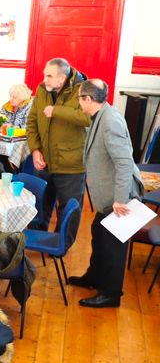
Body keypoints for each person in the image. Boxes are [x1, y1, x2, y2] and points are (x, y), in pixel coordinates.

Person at [70, 79, 144, 308]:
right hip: (108, 194)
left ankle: (111, 294)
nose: (78, 102)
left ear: (88, 99)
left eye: (80, 98)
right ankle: (94, 277)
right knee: (99, 235)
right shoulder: (101, 115)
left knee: (113, 245)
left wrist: (120, 200)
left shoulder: (110, 121)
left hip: (119, 196)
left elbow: (123, 163)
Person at [26, 58, 90, 242]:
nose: (44, 79)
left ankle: (61, 245)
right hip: (44, 160)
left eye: (49, 76)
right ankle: (38, 239)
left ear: (62, 78)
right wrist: (35, 150)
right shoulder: (41, 89)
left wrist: (56, 110)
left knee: (69, 209)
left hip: (71, 164)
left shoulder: (84, 90)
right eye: (44, 74)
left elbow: (88, 118)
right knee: (40, 203)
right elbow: (32, 122)